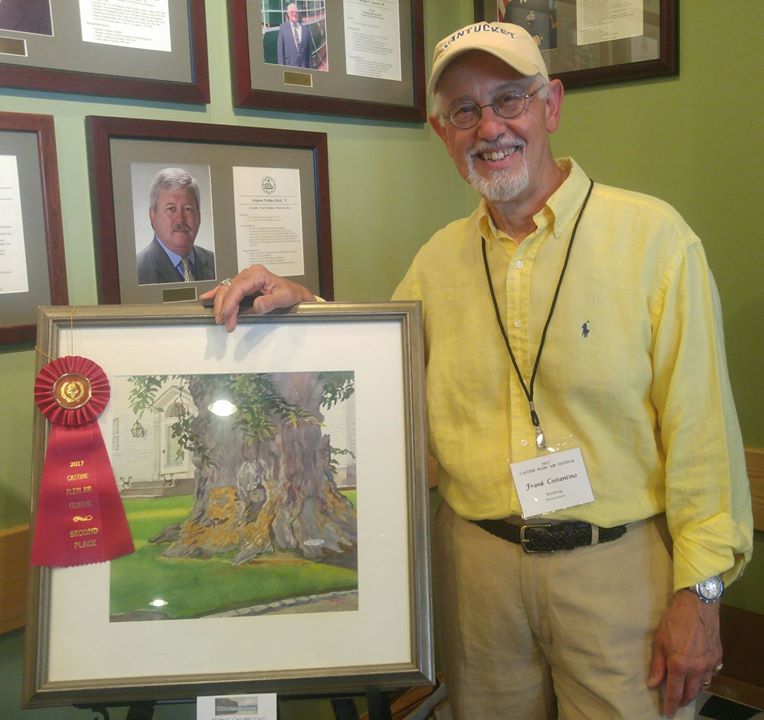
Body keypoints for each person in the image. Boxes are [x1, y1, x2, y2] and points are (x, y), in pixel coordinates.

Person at [202, 21, 753, 720]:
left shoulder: (655, 241)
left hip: (617, 576)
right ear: (443, 132)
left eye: (509, 99)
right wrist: (299, 310)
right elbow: (377, 369)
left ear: (551, 105)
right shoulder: (436, 262)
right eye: (465, 110)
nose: (490, 127)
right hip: (476, 576)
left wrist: (701, 593)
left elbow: (703, 435)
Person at [137, 167, 215, 285]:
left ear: (199, 215)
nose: (180, 219)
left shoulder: (214, 262)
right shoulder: (138, 271)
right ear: (152, 216)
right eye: (171, 209)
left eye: (188, 209)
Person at [276, 3, 311, 69]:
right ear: (288, 14)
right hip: (289, 68)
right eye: (292, 12)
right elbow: (280, 52)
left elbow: (309, 53)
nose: (294, 14)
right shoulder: (283, 29)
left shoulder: (305, 30)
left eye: (296, 12)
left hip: (304, 68)